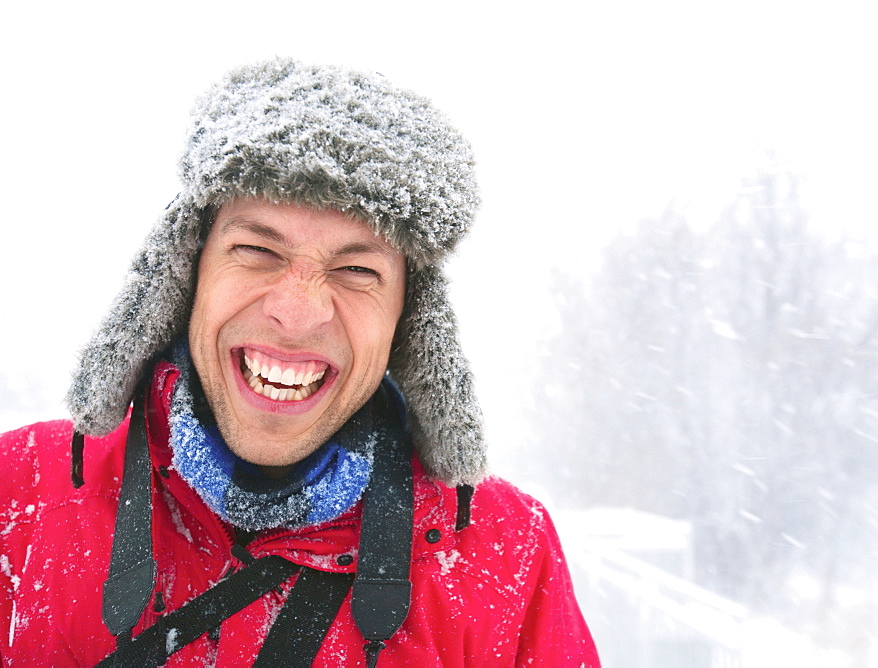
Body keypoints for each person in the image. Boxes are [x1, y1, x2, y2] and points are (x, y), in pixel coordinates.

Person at [0, 59, 599, 666]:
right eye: (257, 250)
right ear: (188, 276)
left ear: (408, 322)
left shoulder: (505, 555)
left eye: (357, 270)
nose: (298, 311)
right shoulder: (17, 495)